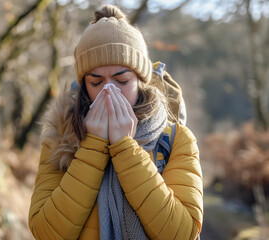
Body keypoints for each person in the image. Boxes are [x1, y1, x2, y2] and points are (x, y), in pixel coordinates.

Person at [28, 4, 203, 240]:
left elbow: (182, 234)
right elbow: (45, 232)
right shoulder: (61, 138)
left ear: (140, 80)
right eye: (96, 82)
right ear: (83, 85)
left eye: (121, 80)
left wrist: (125, 148)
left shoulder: (176, 140)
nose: (109, 91)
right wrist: (93, 145)